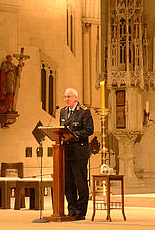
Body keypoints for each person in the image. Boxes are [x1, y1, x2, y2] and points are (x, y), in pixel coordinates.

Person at [60, 88, 94, 220]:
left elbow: (89, 130)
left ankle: (81, 211)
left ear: (75, 98)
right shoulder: (63, 112)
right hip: (66, 152)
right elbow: (61, 130)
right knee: (68, 183)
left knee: (80, 182)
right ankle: (72, 209)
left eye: (68, 97)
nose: (66, 99)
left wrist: (74, 135)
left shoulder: (84, 112)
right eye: (65, 97)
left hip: (79, 152)